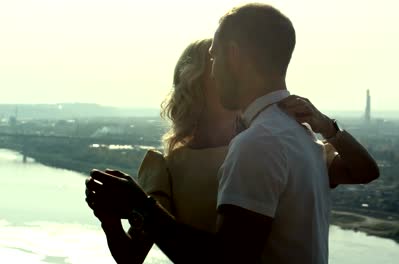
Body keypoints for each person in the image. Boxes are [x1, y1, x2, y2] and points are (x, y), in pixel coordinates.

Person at [85, 3, 379, 264]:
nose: (215, 72)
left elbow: (365, 170)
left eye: (217, 61)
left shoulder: (263, 144)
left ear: (233, 61)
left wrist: (328, 126)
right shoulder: (175, 164)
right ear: (195, 87)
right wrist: (111, 219)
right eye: (210, 65)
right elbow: (132, 255)